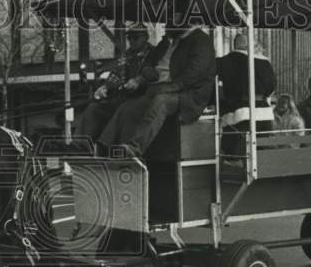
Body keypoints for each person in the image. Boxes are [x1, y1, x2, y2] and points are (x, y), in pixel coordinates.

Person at [98, 10, 216, 157]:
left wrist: (172, 87)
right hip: (161, 89)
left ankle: (135, 147)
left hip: (188, 96)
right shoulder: (170, 42)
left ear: (184, 20)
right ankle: (105, 147)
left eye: (172, 19)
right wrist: (144, 75)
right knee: (128, 107)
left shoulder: (201, 41)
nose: (167, 24)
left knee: (161, 102)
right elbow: (152, 63)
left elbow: (195, 73)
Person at [74, 25, 165, 144]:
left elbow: (157, 74)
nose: (131, 41)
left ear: (146, 37)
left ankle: (105, 146)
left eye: (135, 37)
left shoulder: (155, 54)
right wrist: (106, 87)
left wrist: (139, 81)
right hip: (124, 97)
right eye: (129, 38)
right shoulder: (127, 55)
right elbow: (116, 73)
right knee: (95, 108)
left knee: (124, 109)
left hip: (144, 98)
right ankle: (79, 145)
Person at [216, 32, 277, 133]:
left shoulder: (225, 61)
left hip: (239, 114)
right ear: (250, 45)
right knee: (263, 146)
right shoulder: (265, 61)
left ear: (234, 45)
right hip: (265, 114)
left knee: (234, 147)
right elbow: (272, 87)